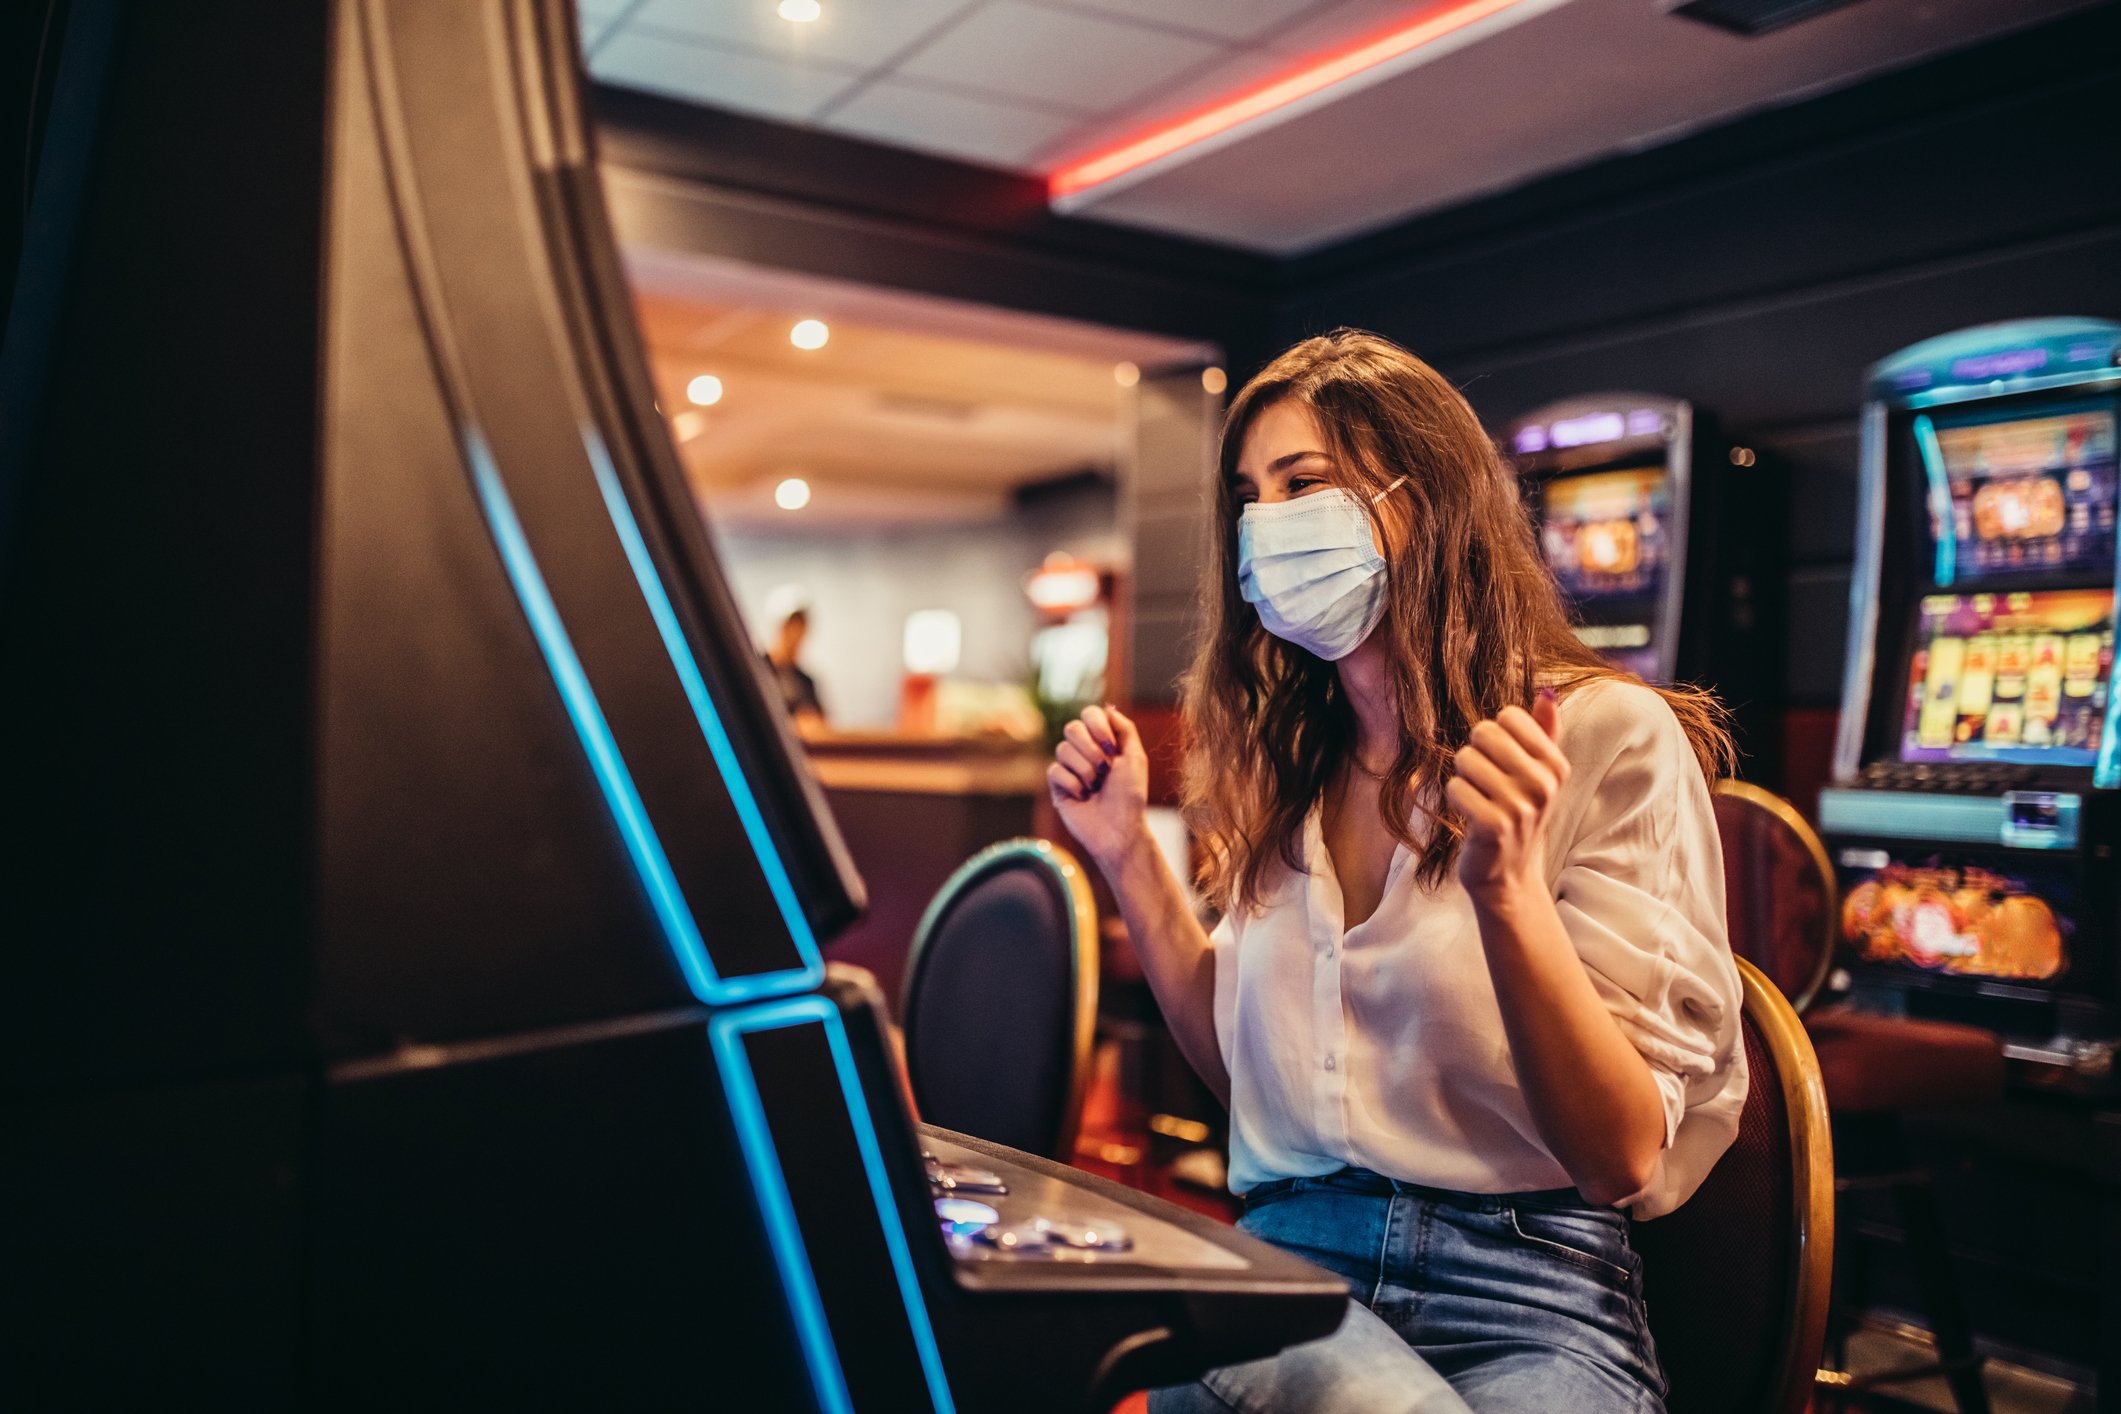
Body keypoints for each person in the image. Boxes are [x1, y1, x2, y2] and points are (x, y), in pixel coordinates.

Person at [1048, 331, 1744, 1414]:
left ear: (1428, 500)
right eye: (1249, 495)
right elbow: (1250, 1084)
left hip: (1530, 1291)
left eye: (1305, 483)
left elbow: (1617, 1159)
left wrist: (1507, 895)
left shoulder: (1603, 735)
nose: (1266, 525)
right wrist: (1127, 854)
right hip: (1296, 1270)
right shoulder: (1291, 762)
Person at [762, 607, 825, 735]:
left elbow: (821, 723)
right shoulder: (759, 670)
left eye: (800, 629)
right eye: (790, 628)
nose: (795, 637)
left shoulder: (806, 681)